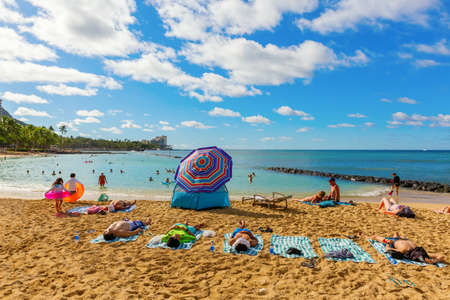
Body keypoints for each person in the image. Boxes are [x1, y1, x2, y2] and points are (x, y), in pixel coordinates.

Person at [371, 233, 445, 264]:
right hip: (398, 241)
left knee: (377, 237)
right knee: (394, 235)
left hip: (396, 241)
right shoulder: (404, 250)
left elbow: (441, 256)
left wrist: (388, 243)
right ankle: (394, 235)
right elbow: (441, 256)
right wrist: (434, 261)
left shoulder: (404, 251)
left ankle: (376, 237)